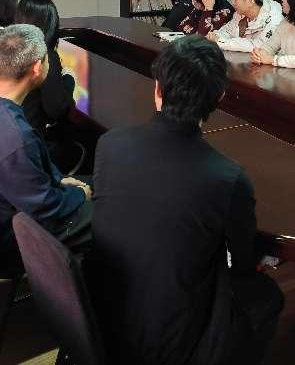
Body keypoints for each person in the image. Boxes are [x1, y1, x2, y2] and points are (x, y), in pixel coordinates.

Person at [90, 35, 284, 365]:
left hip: (102, 320)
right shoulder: (227, 178)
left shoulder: (110, 144)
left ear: (157, 88)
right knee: (266, 295)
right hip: (175, 342)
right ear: (219, 97)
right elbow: (242, 266)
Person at [0, 24, 92, 261]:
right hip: (22, 234)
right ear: (37, 67)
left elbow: (30, 180)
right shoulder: (15, 136)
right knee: (116, 214)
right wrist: (78, 195)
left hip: (3, 211)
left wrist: (58, 180)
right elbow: (47, 209)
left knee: (104, 188)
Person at [15, 0, 75, 134]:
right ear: (50, 24)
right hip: (29, 139)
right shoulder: (46, 57)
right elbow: (56, 109)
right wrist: (69, 79)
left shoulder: (9, 49)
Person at [207, 0, 282, 53]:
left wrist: (221, 42)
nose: (232, 2)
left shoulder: (274, 20)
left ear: (250, 1)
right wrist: (215, 36)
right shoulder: (241, 12)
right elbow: (227, 31)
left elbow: (258, 46)